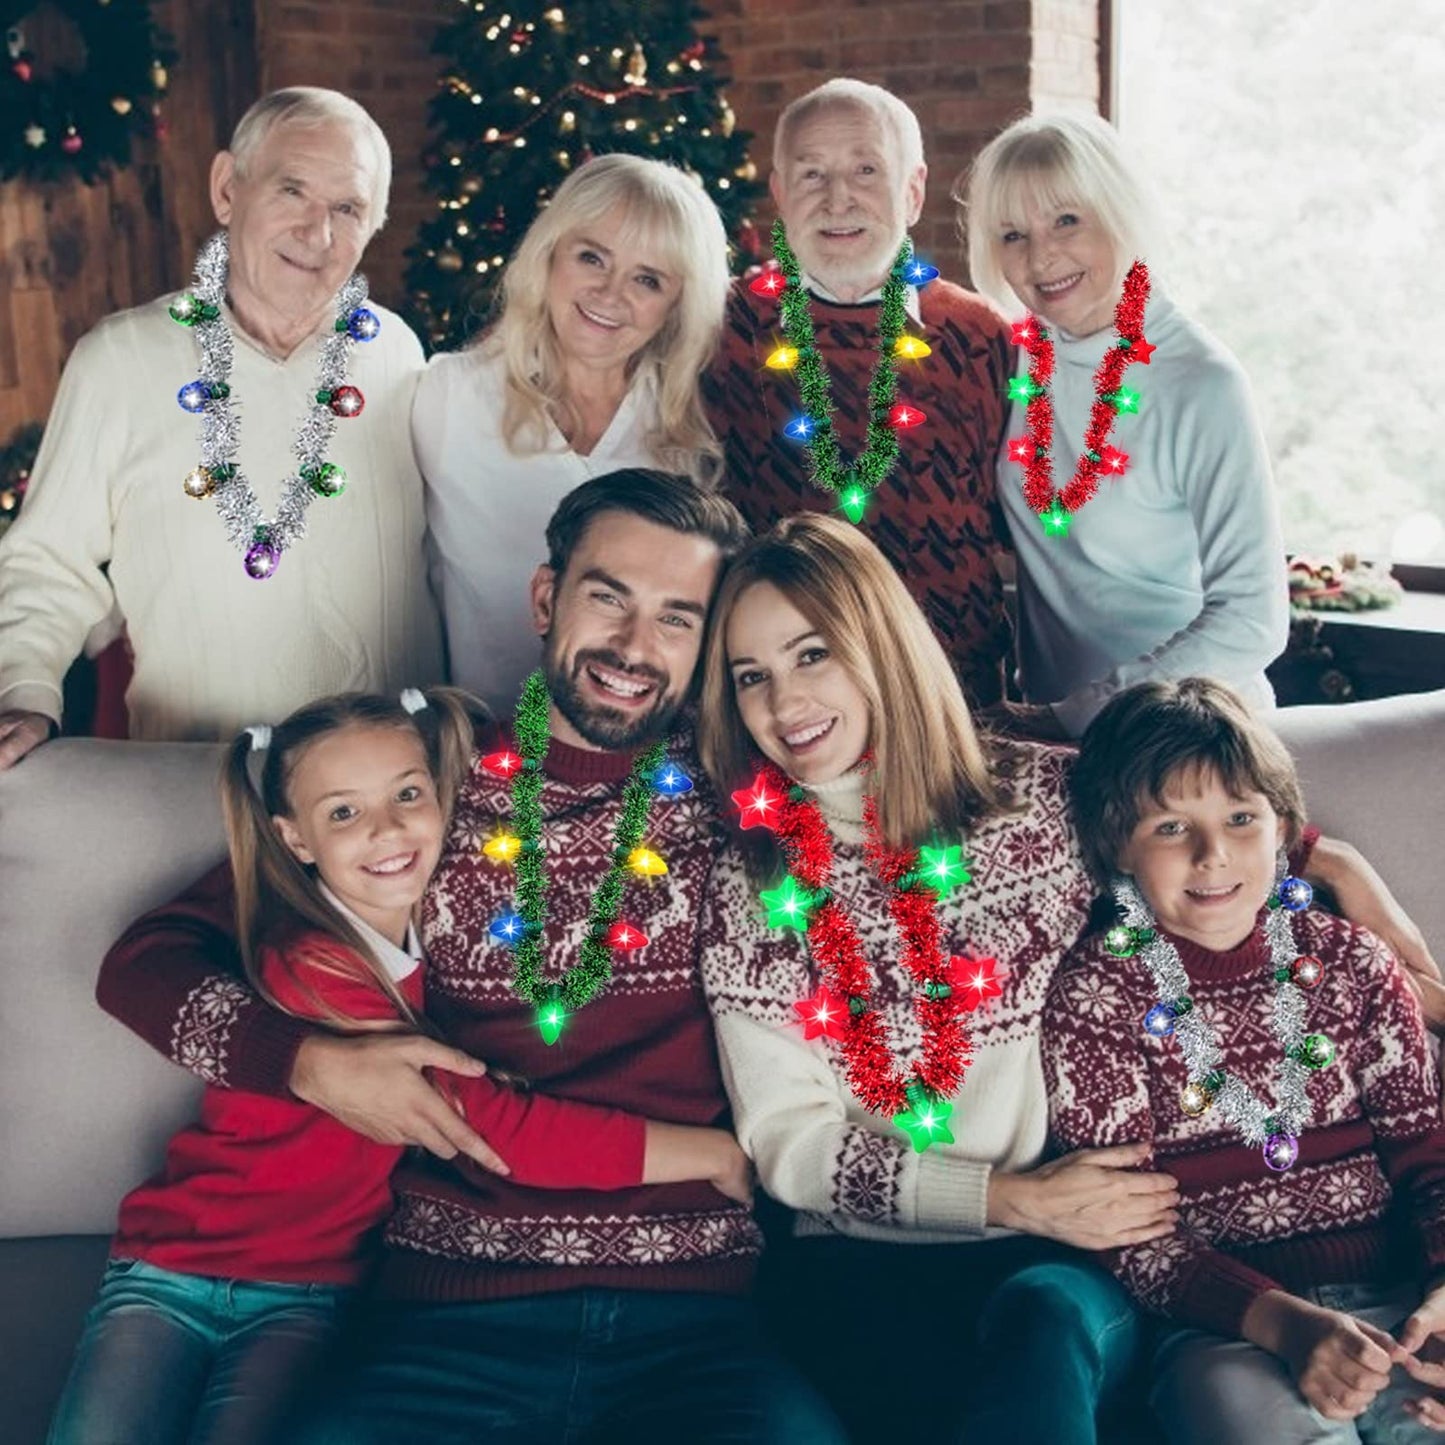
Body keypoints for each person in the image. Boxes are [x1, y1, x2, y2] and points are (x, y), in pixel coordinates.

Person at [94, 470, 847, 1445]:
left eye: (677, 617)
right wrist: (307, 1063)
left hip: (692, 1316)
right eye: (608, 597)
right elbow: (143, 961)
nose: (633, 644)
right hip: (446, 1313)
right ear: (545, 598)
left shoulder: (748, 805)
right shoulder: (421, 789)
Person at [693, 513, 1445, 1444]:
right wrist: (1007, 1195)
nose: (784, 700)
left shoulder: (1038, 800)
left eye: (812, 654)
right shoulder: (754, 884)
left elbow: (1207, 826)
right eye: (750, 675)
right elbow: (790, 1143)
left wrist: (1338, 867)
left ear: (879, 643)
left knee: (1046, 1323)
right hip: (859, 1252)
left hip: (1058, 1249)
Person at [48, 685, 750, 1445]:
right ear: (295, 839)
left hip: (312, 1288)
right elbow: (487, 1127)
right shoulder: (316, 965)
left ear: (446, 797)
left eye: (408, 796)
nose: (384, 828)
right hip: (173, 1261)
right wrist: (710, 1154)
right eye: (344, 812)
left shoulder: (431, 922)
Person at [1045, 678, 1445, 1443]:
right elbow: (1125, 1229)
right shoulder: (1097, 995)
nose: (1212, 854)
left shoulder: (1354, 964)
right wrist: (1284, 1324)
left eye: (1239, 818)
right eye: (1170, 826)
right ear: (1116, 844)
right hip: (1226, 1326)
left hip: (1401, 1302)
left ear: (1282, 830)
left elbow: (1429, 1158)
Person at [0, 88, 443, 766]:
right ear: (227, 189)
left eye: (347, 208)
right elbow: (47, 560)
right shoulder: (119, 359)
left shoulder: (397, 353)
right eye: (292, 190)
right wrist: (24, 694)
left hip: (388, 785)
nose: (318, 234)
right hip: (196, 780)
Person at [959, 111, 1288, 739]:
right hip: (1054, 743)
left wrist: (1078, 713)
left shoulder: (1200, 381)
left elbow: (1254, 620)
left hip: (1188, 740)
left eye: (1066, 220)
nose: (1040, 256)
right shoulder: (1019, 357)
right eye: (1012, 235)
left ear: (1120, 212)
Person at [701, 78, 1016, 710]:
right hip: (778, 709)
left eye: (866, 170)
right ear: (780, 193)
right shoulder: (716, 328)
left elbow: (1026, 532)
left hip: (954, 703)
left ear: (914, 191)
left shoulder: (981, 335)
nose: (838, 198)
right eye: (811, 174)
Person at [415, 152, 730, 715]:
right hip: (479, 737)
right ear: (550, 255)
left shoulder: (692, 433)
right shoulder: (446, 396)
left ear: (676, 306)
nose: (610, 293)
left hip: (636, 742)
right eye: (592, 258)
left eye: (648, 280)